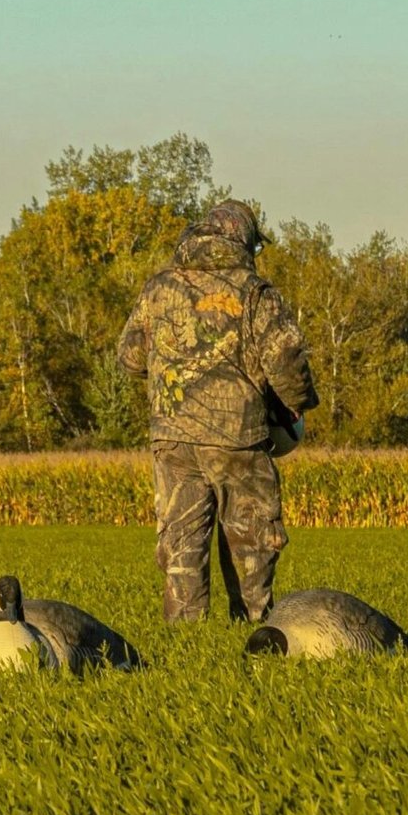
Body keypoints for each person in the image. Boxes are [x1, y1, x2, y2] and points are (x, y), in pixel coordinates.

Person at [116, 199, 317, 624]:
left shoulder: (159, 287)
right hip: (237, 437)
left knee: (181, 547)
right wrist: (297, 405)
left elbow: (130, 358)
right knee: (252, 541)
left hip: (172, 438)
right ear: (244, 239)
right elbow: (287, 363)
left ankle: (185, 640)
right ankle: (252, 633)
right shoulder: (255, 291)